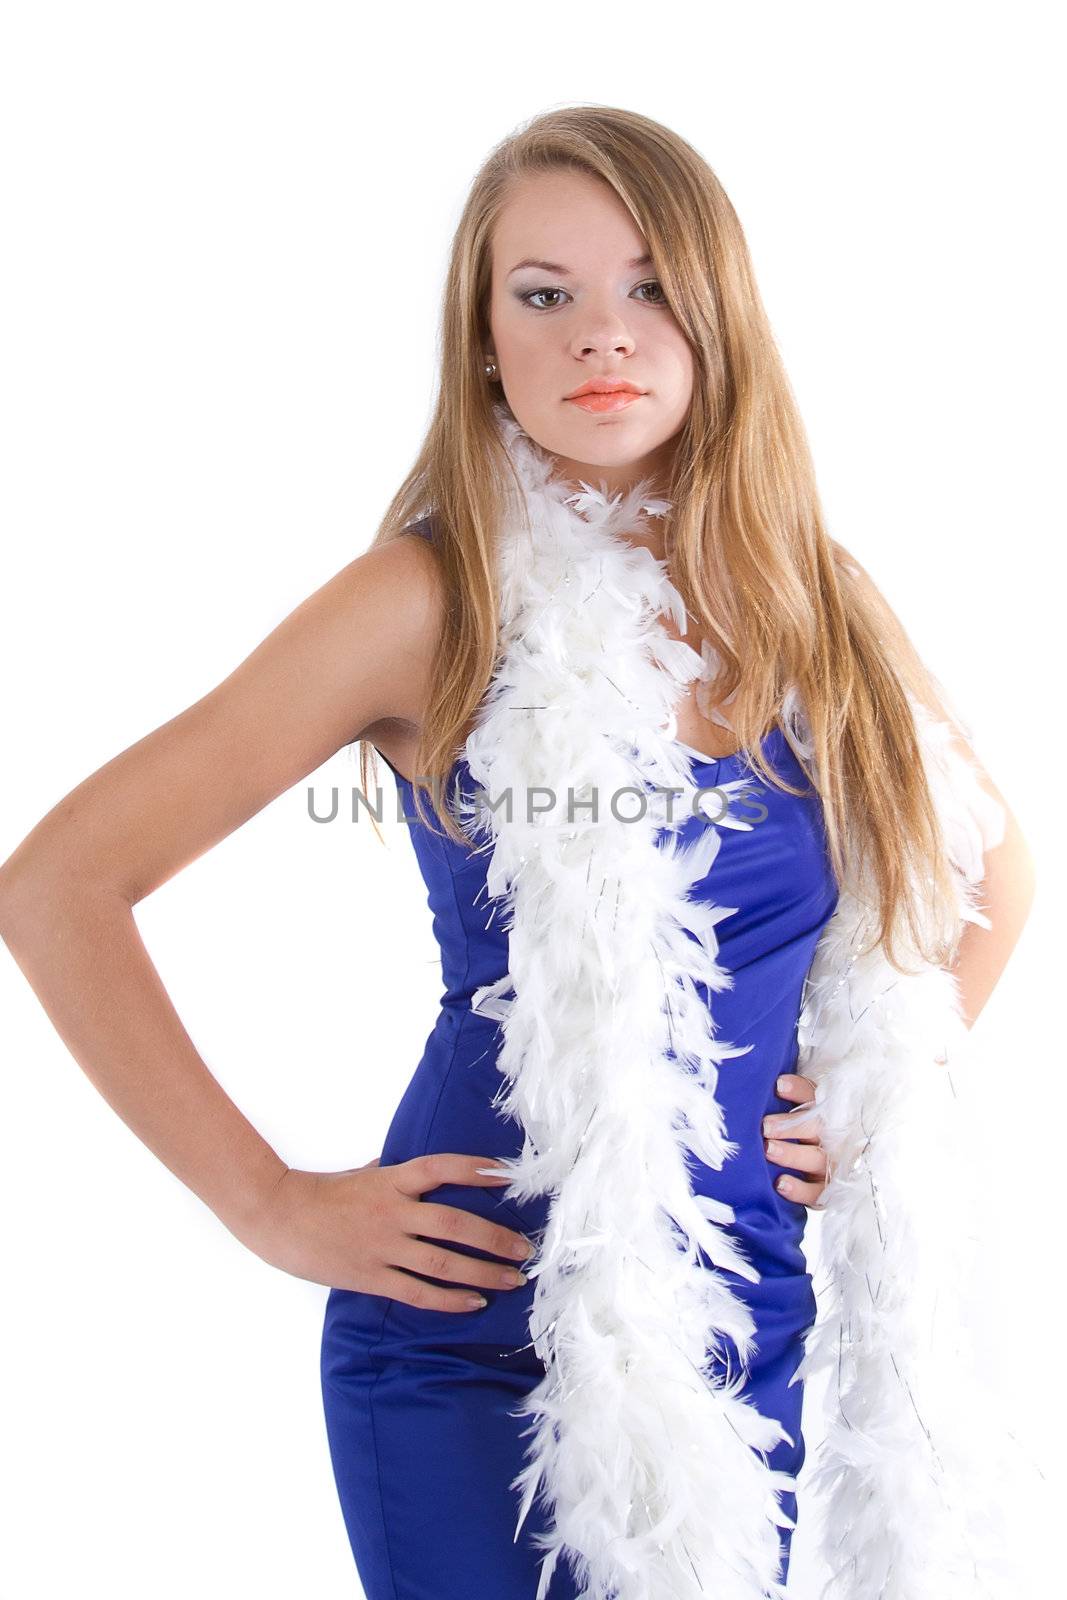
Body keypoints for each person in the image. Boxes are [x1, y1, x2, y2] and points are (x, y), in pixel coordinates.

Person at [0, 104, 1033, 1600]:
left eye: (648, 286)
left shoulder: (814, 595)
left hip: (747, 1318)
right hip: (471, 1333)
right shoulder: (430, 598)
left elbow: (988, 872)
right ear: (484, 338)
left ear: (717, 317)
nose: (597, 335)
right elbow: (56, 885)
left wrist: (886, 1086)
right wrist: (267, 1202)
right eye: (541, 294)